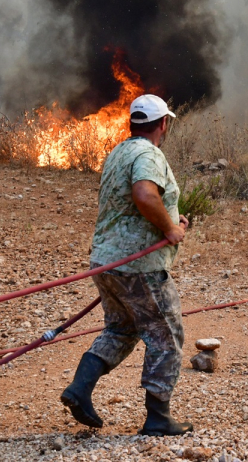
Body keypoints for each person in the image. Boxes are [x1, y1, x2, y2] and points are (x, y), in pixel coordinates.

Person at [60, 93, 193, 436]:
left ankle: (79, 388)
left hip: (106, 261)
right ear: (163, 124)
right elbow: (145, 195)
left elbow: (132, 203)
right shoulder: (149, 153)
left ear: (133, 123)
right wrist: (169, 228)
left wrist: (172, 220)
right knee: (166, 333)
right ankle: (158, 418)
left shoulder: (119, 152)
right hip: (138, 266)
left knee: (122, 328)